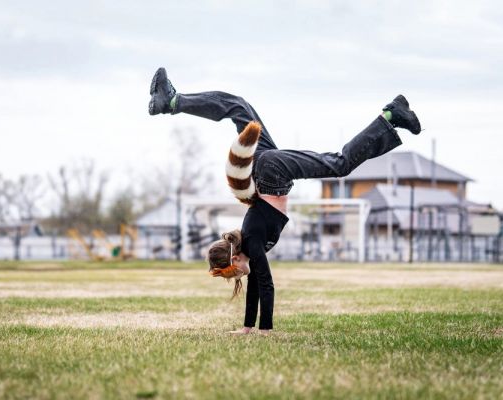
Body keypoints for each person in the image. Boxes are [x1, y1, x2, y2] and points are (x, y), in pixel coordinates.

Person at [148, 67, 421, 335]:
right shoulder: (249, 244)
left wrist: (264, 330)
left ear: (234, 260)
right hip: (266, 168)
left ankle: (390, 115)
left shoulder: (252, 241)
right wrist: (247, 328)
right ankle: (172, 101)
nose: (239, 276)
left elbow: (266, 284)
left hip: (271, 171)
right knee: (239, 107)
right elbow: (256, 283)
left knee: (339, 164)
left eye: (234, 274)